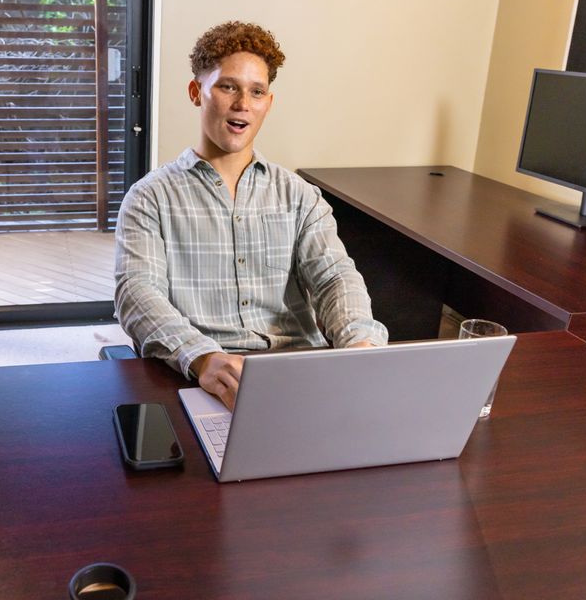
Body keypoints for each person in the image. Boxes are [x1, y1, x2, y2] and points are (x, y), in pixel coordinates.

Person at [114, 21, 388, 410]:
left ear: (268, 103)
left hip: (296, 373)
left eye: (256, 91)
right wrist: (202, 358)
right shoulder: (149, 198)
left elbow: (334, 276)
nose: (243, 103)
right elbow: (137, 293)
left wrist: (360, 344)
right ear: (197, 93)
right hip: (202, 375)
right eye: (228, 87)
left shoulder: (300, 196)